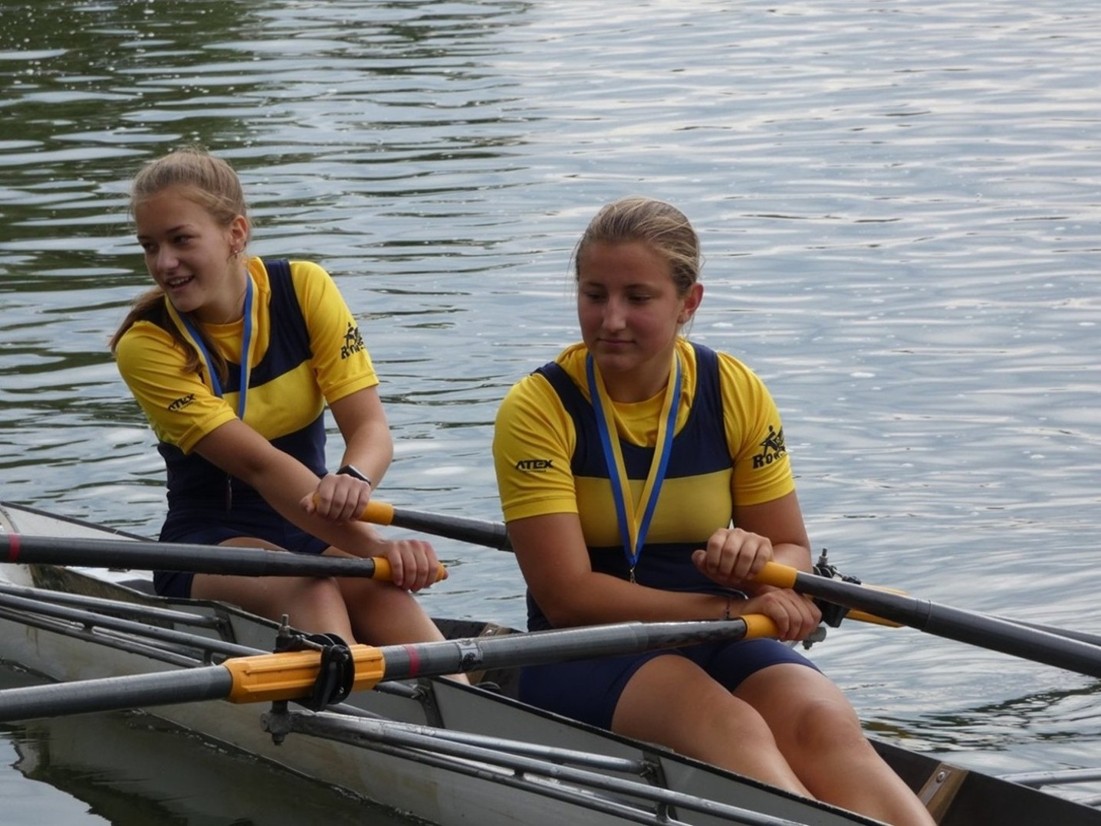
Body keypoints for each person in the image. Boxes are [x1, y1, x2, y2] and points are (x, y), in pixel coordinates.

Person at [492, 197, 934, 824]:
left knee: (823, 721)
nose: (611, 319)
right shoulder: (538, 409)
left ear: (688, 302)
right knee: (727, 722)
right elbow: (567, 596)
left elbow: (791, 549)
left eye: (637, 298)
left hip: (722, 631)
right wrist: (733, 608)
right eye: (594, 295)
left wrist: (761, 566)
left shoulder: (733, 390)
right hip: (581, 646)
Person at [109, 146, 452, 653]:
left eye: (181, 240)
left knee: (389, 600)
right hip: (209, 539)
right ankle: (346, 690)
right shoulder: (147, 345)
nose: (164, 263)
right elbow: (261, 467)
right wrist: (377, 547)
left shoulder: (304, 288)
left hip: (316, 524)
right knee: (313, 591)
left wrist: (353, 479)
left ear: (236, 233)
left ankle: (452, 686)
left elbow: (370, 428)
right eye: (149, 246)